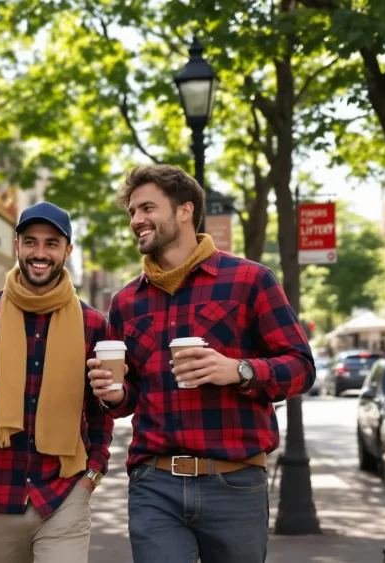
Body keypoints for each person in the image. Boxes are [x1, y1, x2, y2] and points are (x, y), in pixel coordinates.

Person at [87, 165, 315, 563]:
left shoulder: (250, 280)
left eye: (147, 208)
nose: (136, 220)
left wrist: (239, 371)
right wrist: (115, 394)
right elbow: (130, 397)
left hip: (235, 482)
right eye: (132, 212)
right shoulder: (126, 302)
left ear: (184, 210)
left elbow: (301, 368)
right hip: (154, 483)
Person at [0, 202, 115, 563]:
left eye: (52, 243)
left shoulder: (94, 325)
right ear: (17, 245)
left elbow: (102, 409)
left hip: (66, 492)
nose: (40, 253)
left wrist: (92, 475)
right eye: (30, 241)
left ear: (67, 251)